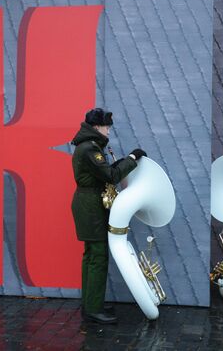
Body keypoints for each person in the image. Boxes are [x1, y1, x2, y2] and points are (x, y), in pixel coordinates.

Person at [71, 108, 147, 324]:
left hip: (90, 205)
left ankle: (90, 304)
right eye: (106, 127)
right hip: (91, 208)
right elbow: (110, 175)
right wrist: (132, 158)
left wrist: (125, 160)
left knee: (91, 256)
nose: (109, 132)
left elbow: (104, 171)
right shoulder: (89, 149)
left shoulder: (89, 147)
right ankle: (93, 309)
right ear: (96, 128)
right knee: (98, 257)